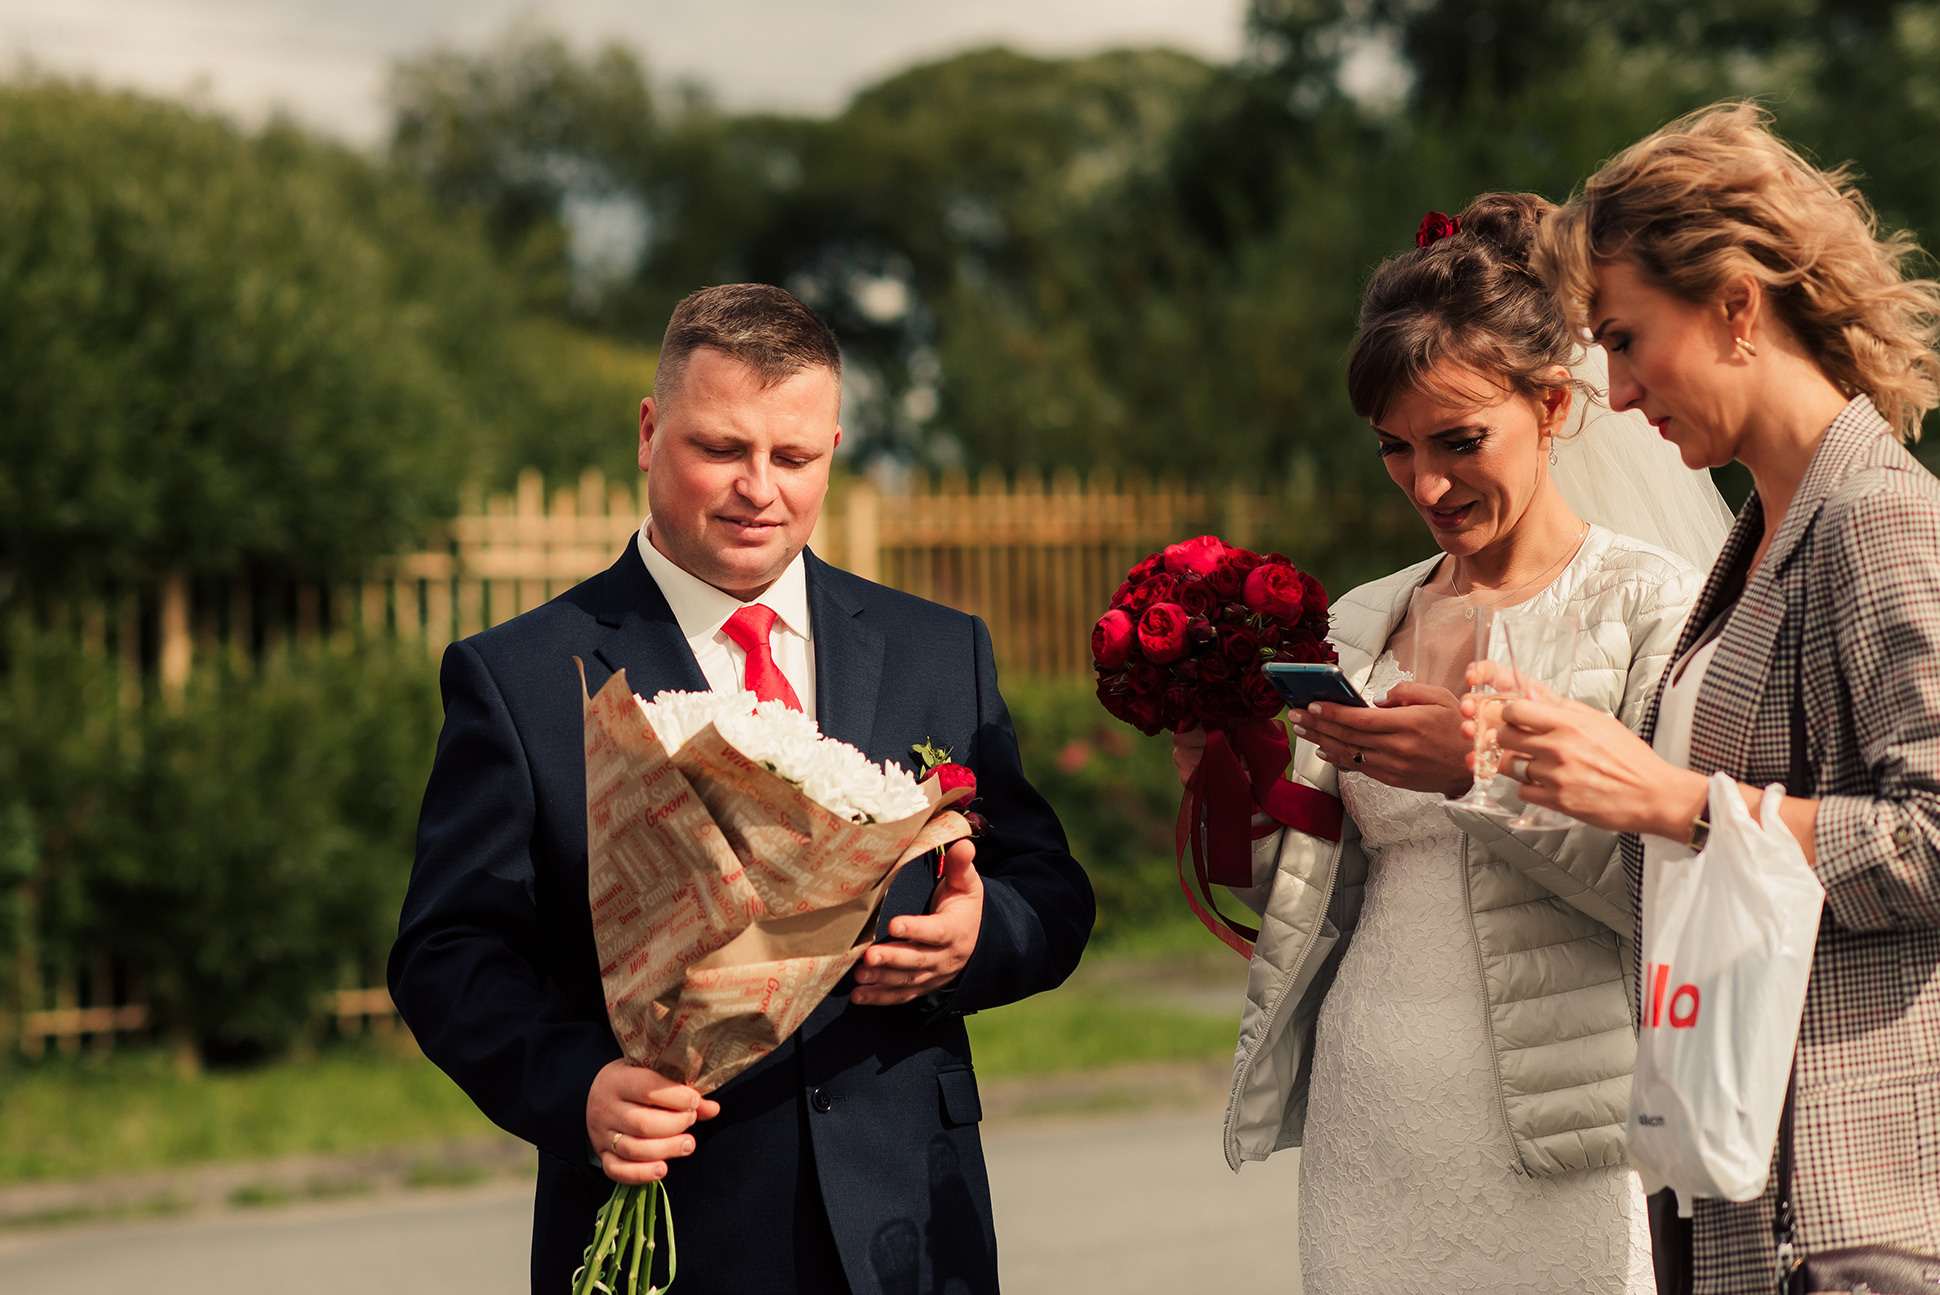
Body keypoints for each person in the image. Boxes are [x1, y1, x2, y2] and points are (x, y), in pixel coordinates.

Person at [389, 283, 1094, 1295]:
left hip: (911, 1227)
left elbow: (1051, 889)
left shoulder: (939, 649)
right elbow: (447, 950)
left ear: (833, 449)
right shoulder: (522, 676)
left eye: (793, 457)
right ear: (648, 432)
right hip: (671, 1233)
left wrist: (977, 939)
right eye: (719, 448)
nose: (757, 488)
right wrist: (579, 1087)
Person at [1178, 193, 1726, 1293]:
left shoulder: (1653, 606)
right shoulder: (1362, 616)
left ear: (1554, 404)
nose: (1425, 484)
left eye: (1458, 441)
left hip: (1568, 1129)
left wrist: (1477, 774)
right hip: (1370, 1114)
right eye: (1394, 447)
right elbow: (1301, 890)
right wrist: (1222, 776)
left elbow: (1679, 896)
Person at [1484, 103, 1940, 1294]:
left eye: (1625, 339)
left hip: (1843, 1202)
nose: (1615, 388)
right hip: (1736, 1176)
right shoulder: (1762, 533)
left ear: (1736, 305)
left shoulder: (1876, 517)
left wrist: (1677, 800)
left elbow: (1933, 838)